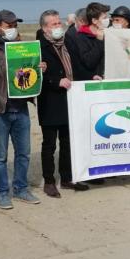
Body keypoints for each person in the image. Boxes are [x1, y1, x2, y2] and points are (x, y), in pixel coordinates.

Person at [0, 10, 42, 209]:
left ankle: (21, 189)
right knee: (0, 156)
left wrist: (39, 68)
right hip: (0, 109)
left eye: (15, 25)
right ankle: (2, 192)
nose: (13, 29)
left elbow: (29, 75)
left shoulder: (23, 47)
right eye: (9, 26)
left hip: (21, 108)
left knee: (24, 153)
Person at [35, 11, 89, 197]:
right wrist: (55, 81)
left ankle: (67, 178)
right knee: (49, 144)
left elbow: (77, 67)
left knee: (67, 142)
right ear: (44, 28)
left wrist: (91, 77)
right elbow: (35, 75)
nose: (58, 27)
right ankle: (49, 181)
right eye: (53, 24)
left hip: (70, 100)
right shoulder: (38, 47)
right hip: (50, 102)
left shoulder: (67, 43)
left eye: (59, 23)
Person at [67, 2, 110, 81]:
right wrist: (99, 40)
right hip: (92, 83)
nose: (107, 20)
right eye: (104, 18)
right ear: (94, 20)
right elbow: (89, 62)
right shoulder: (81, 37)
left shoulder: (107, 34)